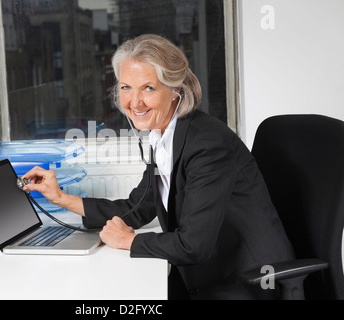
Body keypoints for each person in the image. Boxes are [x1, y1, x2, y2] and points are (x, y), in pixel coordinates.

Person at [22, 34, 295, 299]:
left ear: (176, 90)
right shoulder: (163, 136)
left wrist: (128, 241)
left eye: (148, 88)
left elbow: (193, 245)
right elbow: (139, 207)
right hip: (202, 273)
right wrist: (61, 198)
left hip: (246, 282)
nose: (134, 102)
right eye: (126, 87)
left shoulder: (207, 145)